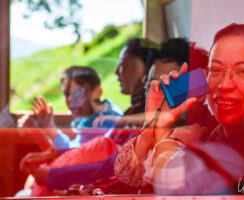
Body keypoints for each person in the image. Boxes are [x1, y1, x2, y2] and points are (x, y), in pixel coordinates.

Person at [114, 23, 244, 195]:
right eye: (216, 70)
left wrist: (175, 143)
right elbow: (128, 174)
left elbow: (183, 185)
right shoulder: (214, 128)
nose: (224, 85)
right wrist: (153, 127)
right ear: (204, 78)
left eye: (243, 72)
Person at [63, 38, 210, 196]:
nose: (160, 97)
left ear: (199, 86)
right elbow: (129, 178)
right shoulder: (156, 131)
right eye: (153, 87)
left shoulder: (202, 138)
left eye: (173, 88)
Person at [18, 38, 157, 197]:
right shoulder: (127, 115)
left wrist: (53, 175)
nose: (116, 72)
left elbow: (107, 163)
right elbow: (82, 154)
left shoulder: (111, 120)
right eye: (67, 95)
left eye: (123, 64)